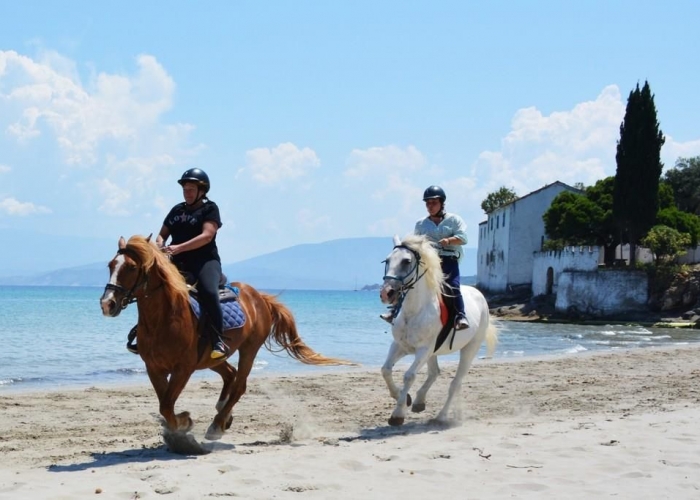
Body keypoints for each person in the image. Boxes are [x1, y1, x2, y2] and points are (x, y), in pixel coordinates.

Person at [127, 168, 229, 360]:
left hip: (205, 261)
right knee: (150, 288)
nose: (187, 193)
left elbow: (207, 236)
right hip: (177, 262)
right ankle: (142, 334)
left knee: (208, 290)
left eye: (191, 189)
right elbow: (162, 234)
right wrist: (159, 246)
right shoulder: (176, 210)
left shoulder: (210, 209)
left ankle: (218, 339)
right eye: (185, 189)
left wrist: (178, 247)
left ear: (202, 191)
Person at [381, 185, 470, 330]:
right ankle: (394, 311)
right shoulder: (421, 223)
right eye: (427, 203)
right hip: (428, 262)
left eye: (434, 203)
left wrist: (448, 241)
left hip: (448, 260)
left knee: (453, 286)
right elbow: (416, 244)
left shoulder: (454, 220)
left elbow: (463, 238)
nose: (430, 206)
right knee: (408, 283)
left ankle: (461, 316)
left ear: (442, 203)